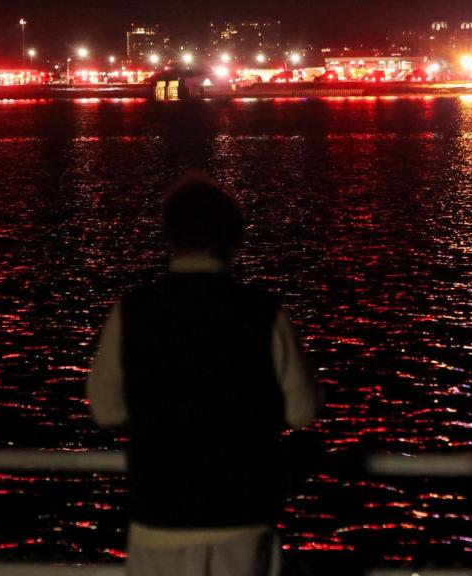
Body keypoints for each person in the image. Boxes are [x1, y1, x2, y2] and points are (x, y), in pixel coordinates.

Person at [86, 173, 318, 576]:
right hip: (242, 515)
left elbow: (105, 410)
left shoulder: (132, 311)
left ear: (169, 237)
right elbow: (304, 412)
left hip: (158, 514)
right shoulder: (264, 313)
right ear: (233, 238)